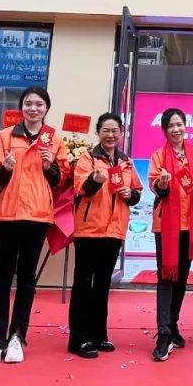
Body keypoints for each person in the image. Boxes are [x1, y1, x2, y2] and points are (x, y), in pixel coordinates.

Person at [0, 87, 69, 366]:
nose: (33, 108)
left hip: (37, 215)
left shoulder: (54, 139)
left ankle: (18, 336)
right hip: (6, 213)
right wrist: (5, 167)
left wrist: (50, 165)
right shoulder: (6, 136)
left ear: (46, 108)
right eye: (28, 103)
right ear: (21, 108)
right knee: (3, 276)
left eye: (39, 104)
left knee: (27, 277)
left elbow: (61, 179)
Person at [68, 112, 142, 357]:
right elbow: (81, 188)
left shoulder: (126, 162)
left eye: (114, 131)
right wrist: (95, 179)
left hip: (114, 231)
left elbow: (137, 191)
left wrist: (130, 194)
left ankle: (99, 335)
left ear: (121, 133)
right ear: (98, 132)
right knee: (83, 284)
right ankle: (79, 339)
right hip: (89, 230)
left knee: (102, 284)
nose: (110, 135)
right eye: (106, 130)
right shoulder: (87, 158)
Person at [147, 108, 193, 361]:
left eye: (179, 124)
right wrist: (162, 184)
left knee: (181, 277)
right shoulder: (158, 155)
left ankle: (172, 323)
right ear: (164, 130)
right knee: (166, 276)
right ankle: (163, 332)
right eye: (171, 126)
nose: (176, 129)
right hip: (166, 225)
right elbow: (154, 186)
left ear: (185, 126)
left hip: (190, 225)